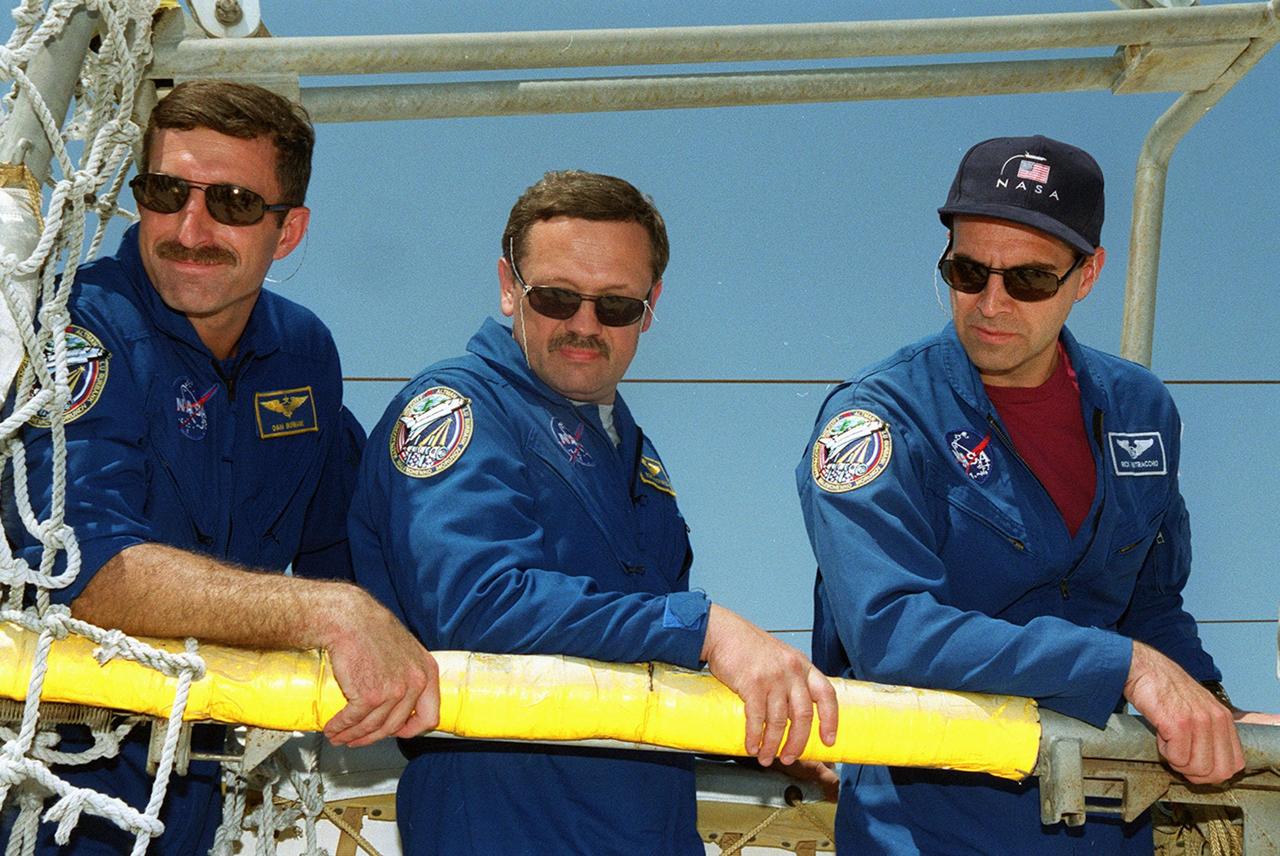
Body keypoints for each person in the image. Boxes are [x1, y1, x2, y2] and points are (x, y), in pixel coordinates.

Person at [796, 135, 1267, 853]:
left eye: (1030, 281)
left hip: (1110, 817)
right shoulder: (875, 421)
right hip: (930, 828)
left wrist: (1213, 708)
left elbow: (1150, 603)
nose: (990, 304)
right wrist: (1124, 667)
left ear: (1088, 275)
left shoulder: (1140, 411)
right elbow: (891, 631)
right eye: (967, 270)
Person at [350, 170, 838, 854]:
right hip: (508, 824)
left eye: (615, 306)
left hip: (649, 823)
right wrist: (706, 630)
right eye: (555, 297)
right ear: (506, 286)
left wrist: (747, 736)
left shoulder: (629, 449)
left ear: (651, 304)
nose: (584, 324)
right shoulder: (457, 409)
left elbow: (630, 655)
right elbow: (476, 603)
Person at [6, 80, 438, 855]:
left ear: (290, 230)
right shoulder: (78, 327)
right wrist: (326, 615)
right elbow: (83, 567)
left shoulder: (304, 355)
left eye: (234, 202)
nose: (190, 226)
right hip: (56, 768)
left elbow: (354, 551)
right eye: (165, 192)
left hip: (205, 778)